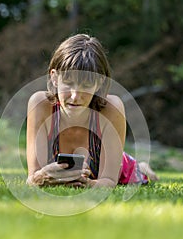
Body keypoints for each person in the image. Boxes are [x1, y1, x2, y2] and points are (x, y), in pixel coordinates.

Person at [26, 33, 158, 188]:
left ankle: (142, 167)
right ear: (54, 78)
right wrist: (41, 177)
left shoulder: (111, 108)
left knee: (141, 175)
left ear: (99, 83)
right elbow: (32, 178)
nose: (75, 96)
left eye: (86, 86)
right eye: (68, 83)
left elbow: (109, 181)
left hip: (118, 166)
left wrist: (87, 184)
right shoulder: (40, 105)